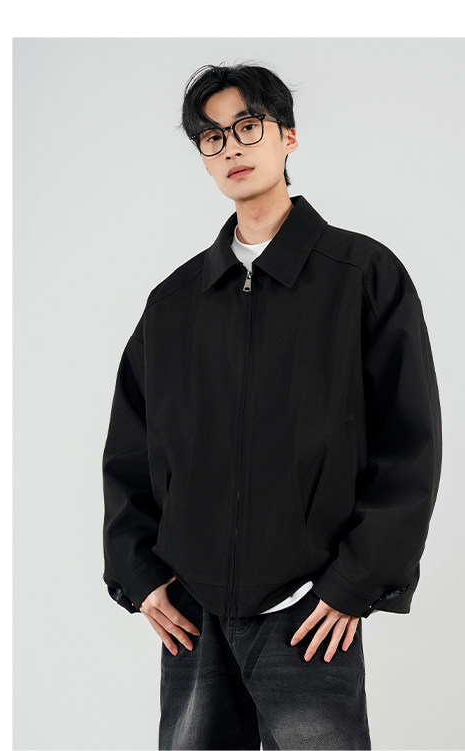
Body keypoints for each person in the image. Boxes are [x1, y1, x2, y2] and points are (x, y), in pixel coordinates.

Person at [102, 62, 443, 750]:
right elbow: (131, 448)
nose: (231, 147)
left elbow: (409, 443)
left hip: (310, 612)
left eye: (247, 127)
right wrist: (140, 574)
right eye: (211, 136)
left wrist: (354, 582)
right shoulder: (173, 304)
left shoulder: (361, 275)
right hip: (192, 614)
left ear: (288, 136)